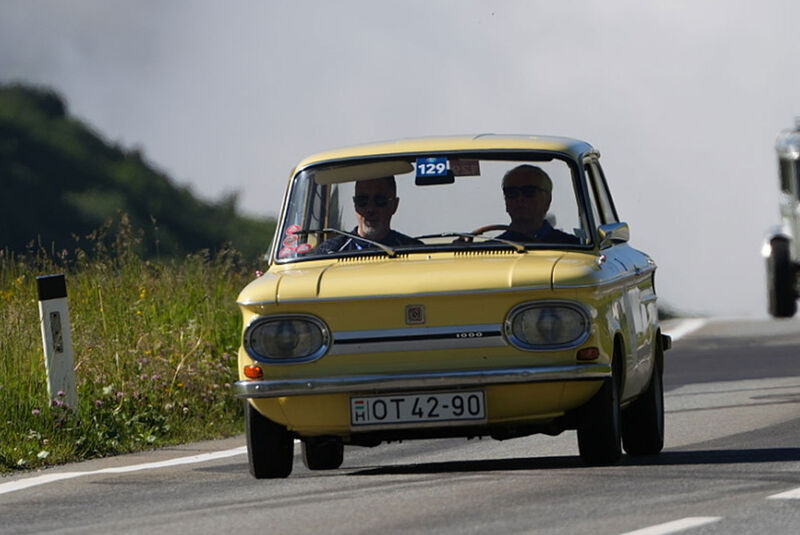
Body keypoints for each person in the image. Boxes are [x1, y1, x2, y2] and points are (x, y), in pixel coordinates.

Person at [315, 176, 421, 253]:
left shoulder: (413, 250)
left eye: (379, 200)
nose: (370, 209)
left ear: (394, 205)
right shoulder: (330, 251)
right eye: (362, 201)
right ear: (355, 205)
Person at [496, 165, 580, 244]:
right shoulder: (489, 251)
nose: (520, 198)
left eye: (529, 192)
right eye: (512, 193)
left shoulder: (574, 247)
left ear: (547, 199)